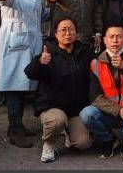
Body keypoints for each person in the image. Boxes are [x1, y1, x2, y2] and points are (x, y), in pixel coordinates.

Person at [0, 0, 49, 148]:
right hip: (15, 44)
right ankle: (15, 131)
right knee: (14, 89)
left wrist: (53, 5)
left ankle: (17, 125)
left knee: (23, 87)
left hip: (30, 44)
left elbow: (40, 16)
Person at [24, 17, 93, 163]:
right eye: (63, 30)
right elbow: (30, 73)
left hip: (75, 108)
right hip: (52, 106)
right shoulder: (48, 53)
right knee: (57, 120)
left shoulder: (84, 52)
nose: (68, 33)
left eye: (71, 29)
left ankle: (68, 131)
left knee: (83, 143)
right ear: (56, 34)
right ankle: (48, 144)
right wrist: (39, 62)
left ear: (76, 32)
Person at [80, 24, 123, 159]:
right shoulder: (95, 63)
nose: (115, 40)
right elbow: (95, 97)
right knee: (86, 114)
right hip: (109, 111)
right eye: (111, 37)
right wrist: (119, 110)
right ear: (105, 40)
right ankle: (109, 139)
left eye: (119, 37)